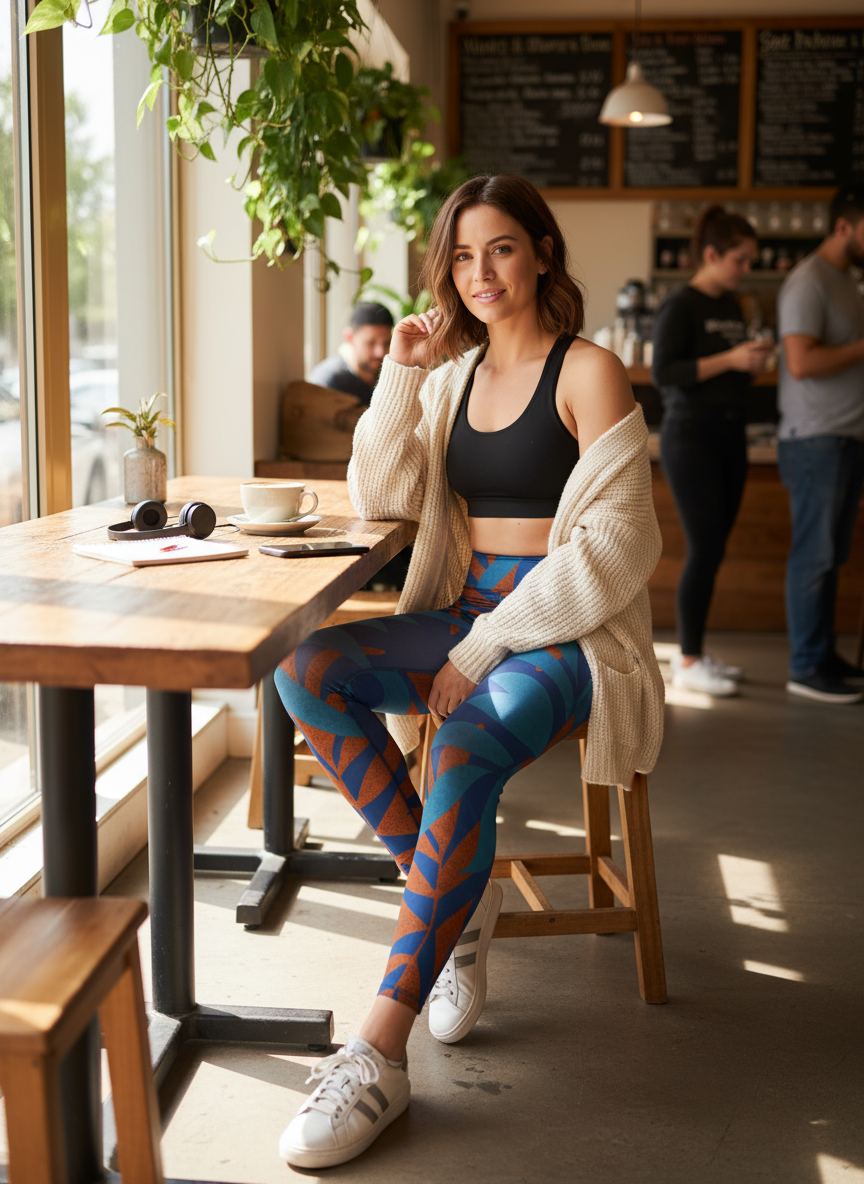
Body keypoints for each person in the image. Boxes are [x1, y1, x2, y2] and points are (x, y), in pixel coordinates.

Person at [274, 174, 665, 1169]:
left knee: (466, 747)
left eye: (499, 248)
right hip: (458, 614)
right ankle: (455, 889)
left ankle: (377, 1048)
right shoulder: (447, 379)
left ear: (540, 252)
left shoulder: (590, 370)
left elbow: (618, 549)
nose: (479, 271)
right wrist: (400, 377)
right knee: (306, 667)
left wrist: (484, 646)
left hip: (566, 638)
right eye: (459, 254)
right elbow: (379, 495)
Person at [652, 206, 774, 696]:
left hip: (729, 434)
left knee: (716, 547)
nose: (746, 269)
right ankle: (687, 660)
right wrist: (732, 358)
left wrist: (750, 366)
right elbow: (666, 373)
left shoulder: (732, 305)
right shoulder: (681, 306)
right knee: (704, 547)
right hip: (691, 437)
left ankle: (697, 651)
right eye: (740, 260)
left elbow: (725, 373)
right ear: (711, 254)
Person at [776, 184, 864, 704]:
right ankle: (806, 665)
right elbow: (802, 362)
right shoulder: (809, 281)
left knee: (832, 557)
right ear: (844, 226)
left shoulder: (845, 281)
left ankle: (824, 655)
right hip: (816, 441)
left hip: (843, 438)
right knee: (815, 555)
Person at [308, 301, 394, 406]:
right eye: (371, 343)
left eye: (387, 343)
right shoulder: (327, 382)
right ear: (349, 337)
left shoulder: (389, 378)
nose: (380, 353)